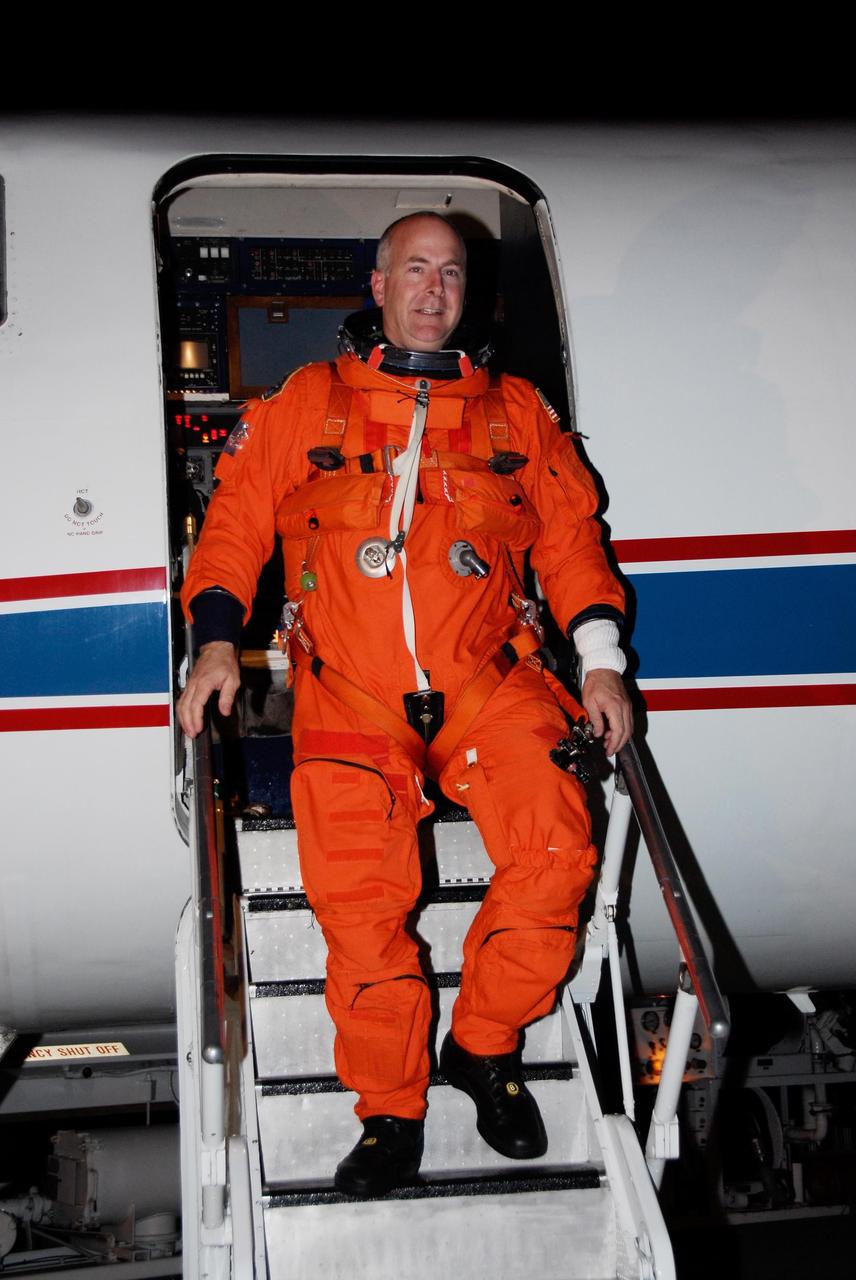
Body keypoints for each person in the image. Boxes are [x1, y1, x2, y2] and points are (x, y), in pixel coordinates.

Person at [178, 212, 632, 1197]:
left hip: (488, 678)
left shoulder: (517, 415)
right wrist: (216, 639)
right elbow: (235, 523)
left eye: (452, 273)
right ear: (377, 282)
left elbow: (568, 541)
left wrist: (598, 658)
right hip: (349, 689)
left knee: (558, 850)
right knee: (359, 906)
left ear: (469, 291)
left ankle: (481, 1042)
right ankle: (390, 1108)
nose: (432, 289)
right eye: (414, 269)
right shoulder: (307, 403)